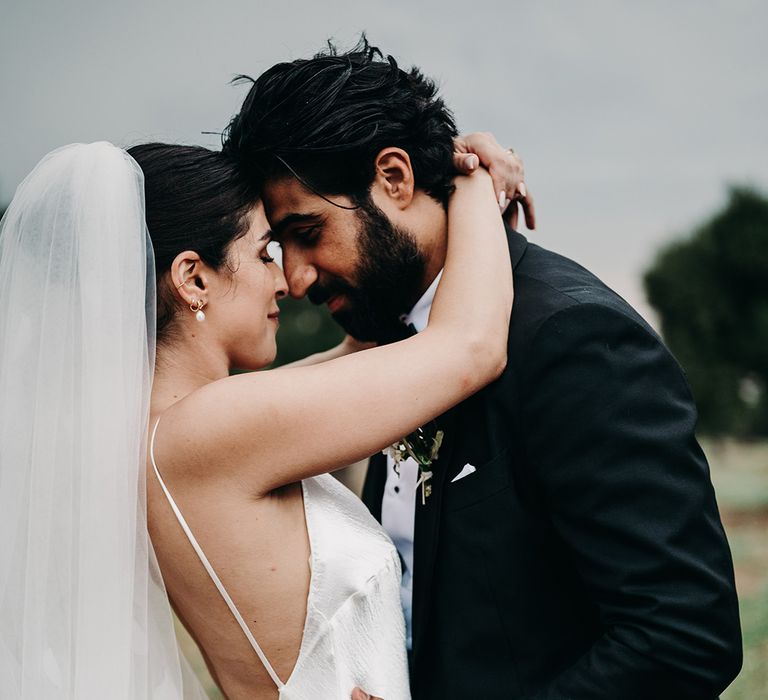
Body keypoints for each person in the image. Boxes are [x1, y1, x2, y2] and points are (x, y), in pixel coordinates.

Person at [223, 37, 743, 699]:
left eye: (307, 232)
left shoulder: (573, 339)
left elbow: (684, 633)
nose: (295, 279)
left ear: (395, 178)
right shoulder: (393, 344)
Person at [0, 137, 515, 699]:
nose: (286, 281)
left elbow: (365, 351)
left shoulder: (174, 430)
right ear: (194, 279)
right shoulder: (210, 429)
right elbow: (472, 349)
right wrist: (469, 179)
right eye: (266, 251)